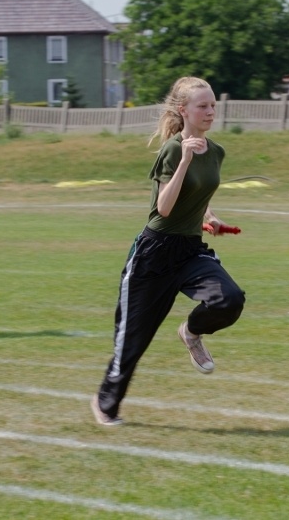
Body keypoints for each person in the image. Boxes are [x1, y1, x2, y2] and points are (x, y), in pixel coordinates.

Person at [91, 76, 246, 426]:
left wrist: (210, 217)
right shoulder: (175, 149)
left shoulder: (217, 152)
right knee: (131, 342)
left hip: (190, 250)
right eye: (202, 106)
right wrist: (185, 160)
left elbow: (198, 195)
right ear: (184, 111)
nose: (210, 112)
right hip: (154, 253)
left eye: (212, 106)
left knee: (230, 299)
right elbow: (163, 207)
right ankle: (105, 404)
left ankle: (191, 332)